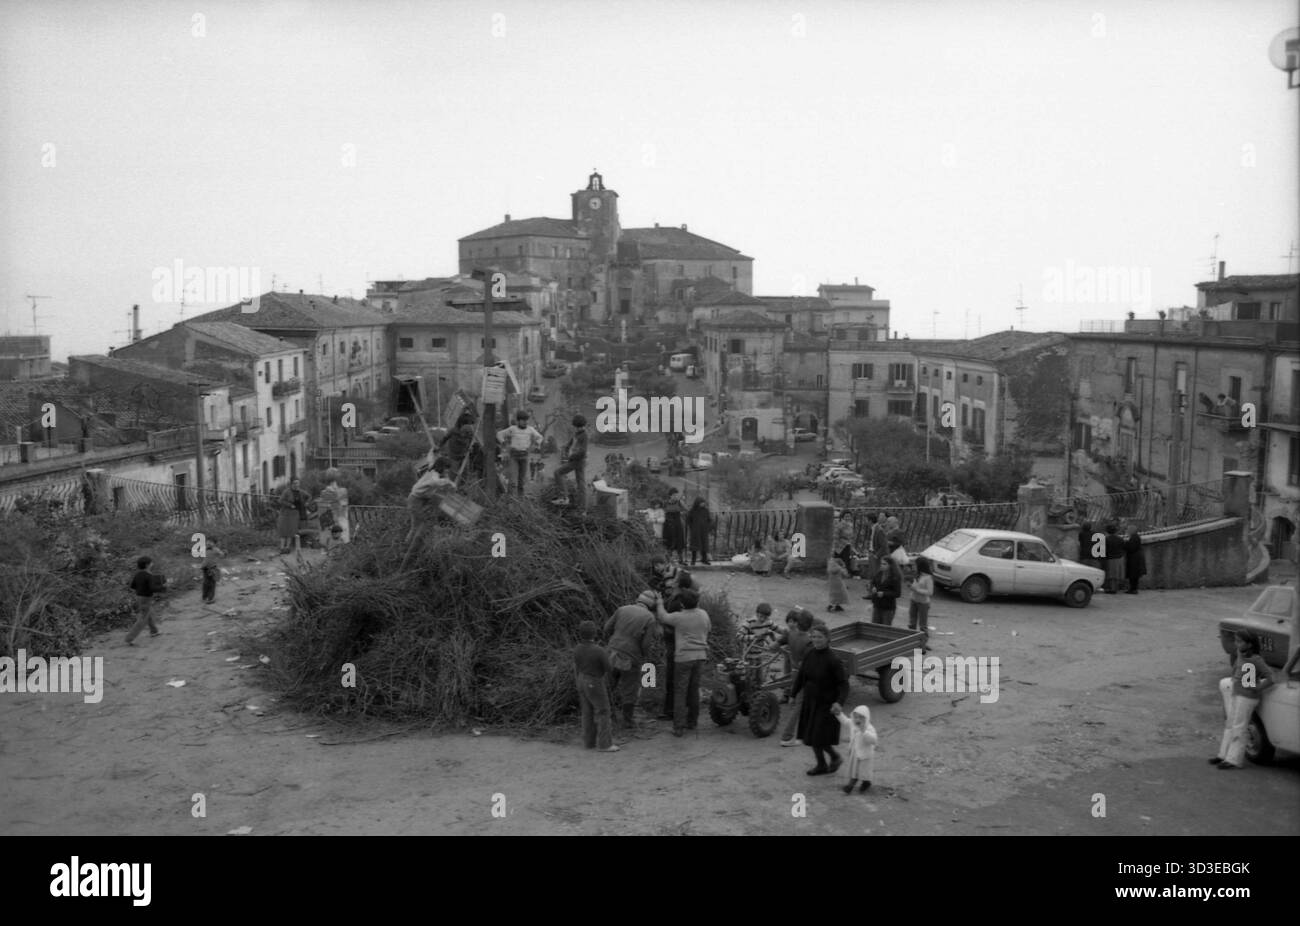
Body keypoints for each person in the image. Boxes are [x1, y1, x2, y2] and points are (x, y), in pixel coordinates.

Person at [790, 621, 849, 775]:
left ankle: (830, 760)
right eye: (814, 636)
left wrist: (839, 702)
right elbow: (801, 676)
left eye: (820, 637)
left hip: (826, 703)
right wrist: (792, 694)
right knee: (812, 735)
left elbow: (843, 684)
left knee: (817, 736)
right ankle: (826, 762)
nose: (816, 640)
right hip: (811, 701)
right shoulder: (810, 653)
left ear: (828, 639)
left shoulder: (833, 660)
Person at [652, 587, 712, 737]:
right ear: (697, 602)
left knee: (680, 692)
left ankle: (678, 727)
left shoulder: (679, 617)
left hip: (683, 658)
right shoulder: (704, 614)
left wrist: (659, 602)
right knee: (694, 690)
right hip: (700, 657)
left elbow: (662, 617)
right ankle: (692, 722)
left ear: (682, 605)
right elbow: (709, 629)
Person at [1213, 631, 1274, 770]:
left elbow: (1271, 678)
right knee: (1230, 724)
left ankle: (1233, 759)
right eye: (1236, 641)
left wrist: (1258, 687)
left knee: (1238, 727)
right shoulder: (1240, 654)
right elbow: (1236, 668)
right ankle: (1223, 755)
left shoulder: (1256, 659)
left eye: (1240, 641)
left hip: (1247, 697)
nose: (1237, 644)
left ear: (1249, 644)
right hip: (1237, 693)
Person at [604, 591, 661, 729]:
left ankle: (607, 716)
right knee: (629, 689)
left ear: (638, 600)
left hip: (611, 652)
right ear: (651, 605)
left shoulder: (622, 609)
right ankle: (627, 721)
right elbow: (646, 644)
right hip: (631, 656)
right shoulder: (650, 618)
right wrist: (644, 655)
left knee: (608, 685)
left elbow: (607, 628)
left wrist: (614, 642)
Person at [573, 620, 619, 752]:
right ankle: (605, 744)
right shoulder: (599, 650)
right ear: (595, 633)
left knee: (587, 712)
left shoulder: (577, 648)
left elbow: (576, 666)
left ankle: (589, 742)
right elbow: (609, 669)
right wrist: (613, 657)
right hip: (594, 681)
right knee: (603, 711)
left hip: (581, 679)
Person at [777, 608, 814, 744]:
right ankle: (787, 737)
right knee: (799, 704)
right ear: (810, 625)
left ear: (797, 623)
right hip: (804, 675)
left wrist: (774, 644)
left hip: (794, 671)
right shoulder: (809, 641)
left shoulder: (791, 634)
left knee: (799, 701)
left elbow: (779, 642)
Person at [831, 704, 877, 794]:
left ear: (866, 718)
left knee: (864, 771)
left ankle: (865, 782)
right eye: (856, 717)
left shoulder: (869, 728)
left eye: (861, 718)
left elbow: (874, 740)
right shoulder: (852, 724)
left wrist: (864, 732)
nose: (858, 720)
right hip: (855, 753)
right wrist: (838, 714)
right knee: (854, 770)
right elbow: (845, 721)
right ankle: (851, 785)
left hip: (865, 755)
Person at [497, 411, 543, 497]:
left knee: (521, 480)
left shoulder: (530, 429)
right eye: (523, 420)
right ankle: (510, 499)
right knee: (513, 481)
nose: (526, 422)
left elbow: (540, 437)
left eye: (527, 420)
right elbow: (499, 434)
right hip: (514, 456)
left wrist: (535, 446)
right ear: (518, 421)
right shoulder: (512, 429)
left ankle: (520, 499)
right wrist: (505, 444)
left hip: (524, 456)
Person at [124, 556, 163, 645]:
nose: (152, 564)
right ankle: (129, 638)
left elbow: (132, 586)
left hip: (139, 597)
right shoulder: (149, 575)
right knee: (143, 617)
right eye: (151, 563)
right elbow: (153, 588)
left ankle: (154, 631)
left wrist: (141, 589)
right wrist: (162, 587)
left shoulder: (137, 574)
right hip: (146, 597)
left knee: (148, 613)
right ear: (147, 565)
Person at [554, 414, 589, 509]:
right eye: (577, 427)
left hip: (578, 461)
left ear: (583, 426)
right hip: (576, 460)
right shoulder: (576, 434)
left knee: (558, 473)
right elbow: (570, 443)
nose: (579, 428)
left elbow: (582, 451)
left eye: (581, 427)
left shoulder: (584, 435)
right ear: (575, 426)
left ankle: (564, 497)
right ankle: (583, 509)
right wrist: (565, 448)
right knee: (581, 484)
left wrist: (570, 456)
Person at [866, 541, 903, 625]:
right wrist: (872, 588)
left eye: (884, 564)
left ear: (890, 565)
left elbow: (897, 593)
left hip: (888, 607)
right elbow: (874, 583)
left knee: (885, 627)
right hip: (877, 604)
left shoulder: (895, 577)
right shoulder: (879, 573)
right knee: (874, 626)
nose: (882, 565)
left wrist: (884, 593)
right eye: (881, 564)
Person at [908, 555, 934, 650]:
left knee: (923, 625)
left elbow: (930, 592)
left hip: (923, 603)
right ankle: (911, 642)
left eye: (915, 565)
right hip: (914, 600)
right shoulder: (917, 575)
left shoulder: (928, 578)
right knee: (912, 623)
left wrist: (917, 589)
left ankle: (923, 644)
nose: (913, 566)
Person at [277, 477, 309, 554]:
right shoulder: (287, 492)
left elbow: (309, 497)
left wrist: (306, 503)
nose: (296, 485)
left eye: (297, 483)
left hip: (295, 514)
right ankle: (282, 548)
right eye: (294, 483)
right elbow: (280, 500)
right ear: (291, 484)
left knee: (291, 531)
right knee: (283, 530)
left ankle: (287, 548)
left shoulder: (301, 492)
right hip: (285, 513)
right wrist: (289, 505)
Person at [686, 496, 713, 566]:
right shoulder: (692, 511)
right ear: (697, 503)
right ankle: (693, 560)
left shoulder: (706, 510)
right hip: (695, 531)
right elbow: (688, 520)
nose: (703, 504)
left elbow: (709, 520)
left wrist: (708, 527)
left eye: (703, 503)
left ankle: (704, 559)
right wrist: (693, 528)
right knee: (694, 546)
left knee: (704, 545)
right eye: (701, 503)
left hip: (704, 531)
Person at [662, 489, 686, 563]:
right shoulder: (665, 503)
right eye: (674, 495)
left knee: (679, 541)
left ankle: (680, 559)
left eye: (676, 495)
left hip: (677, 523)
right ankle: (668, 559)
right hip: (668, 524)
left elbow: (686, 509)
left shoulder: (679, 502)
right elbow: (662, 512)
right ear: (670, 495)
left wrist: (682, 508)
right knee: (669, 541)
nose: (676, 496)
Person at [1103, 523, 1125, 594]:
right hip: (1119, 557)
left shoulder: (1106, 539)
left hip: (1111, 558)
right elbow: (1123, 547)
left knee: (1112, 574)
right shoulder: (1120, 539)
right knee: (1117, 573)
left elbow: (1104, 549)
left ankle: (1113, 589)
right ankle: (1116, 587)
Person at [1124, 528, 1146, 594]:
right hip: (1135, 559)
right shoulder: (1135, 537)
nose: (1127, 531)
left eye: (1128, 530)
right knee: (1134, 575)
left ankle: (1133, 589)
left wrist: (1126, 544)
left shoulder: (1134, 538)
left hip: (1134, 560)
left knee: (1133, 575)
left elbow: (1131, 548)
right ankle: (1133, 589)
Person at [833, 512, 856, 576]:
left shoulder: (851, 525)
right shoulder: (840, 525)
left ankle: (845, 574)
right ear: (842, 517)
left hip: (847, 545)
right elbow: (835, 536)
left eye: (849, 516)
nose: (847, 518)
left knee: (846, 561)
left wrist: (852, 547)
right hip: (840, 546)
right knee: (839, 561)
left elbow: (852, 537)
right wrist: (835, 545)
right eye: (846, 516)